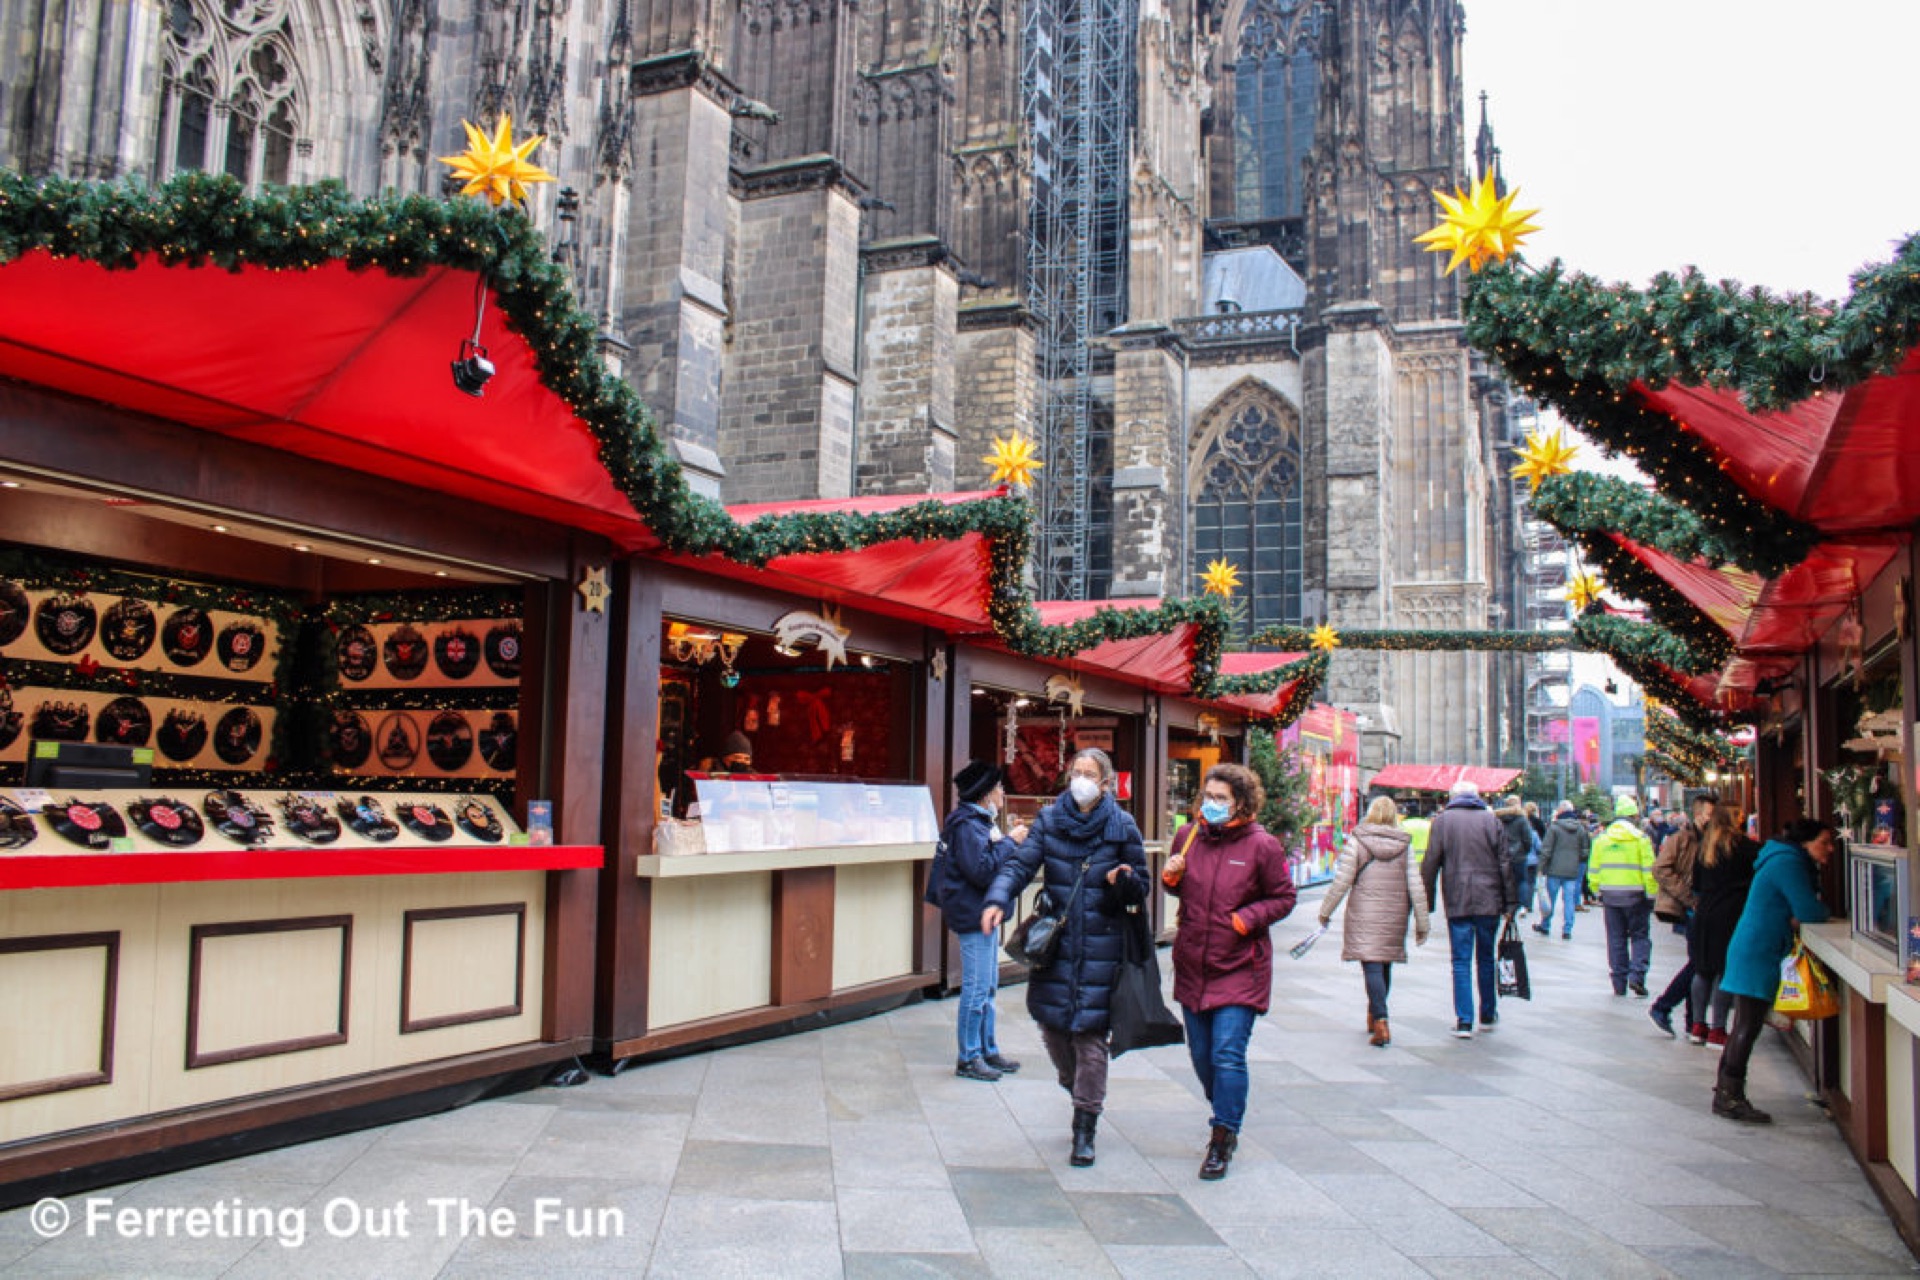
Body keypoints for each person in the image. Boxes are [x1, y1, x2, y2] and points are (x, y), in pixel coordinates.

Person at [981, 747, 1148, 1168]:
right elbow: (1019, 866)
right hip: (1056, 944)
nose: (1080, 781)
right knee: (1054, 1031)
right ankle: (1078, 1088)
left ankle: (1084, 1127)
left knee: (1090, 1037)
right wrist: (998, 898)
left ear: (1105, 784)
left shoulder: (1122, 826)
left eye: (1089, 774)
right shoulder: (1051, 820)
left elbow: (1141, 885)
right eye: (1076, 772)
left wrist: (1124, 880)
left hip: (1103, 945)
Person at [1161, 763, 1296, 1180]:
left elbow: (1283, 897)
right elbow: (1179, 887)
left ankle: (1223, 1135)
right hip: (1194, 963)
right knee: (1203, 1057)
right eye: (1208, 797)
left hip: (1240, 965)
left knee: (1227, 1054)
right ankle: (1224, 1107)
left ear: (1240, 803)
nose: (1212, 804)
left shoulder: (1262, 846)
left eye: (1221, 798)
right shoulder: (1189, 837)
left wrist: (1245, 919)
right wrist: (1171, 879)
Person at [1712, 818, 1835, 1122]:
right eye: (1824, 842)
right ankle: (1729, 1096)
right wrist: (1820, 911)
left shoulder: (1781, 857)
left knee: (1745, 1022)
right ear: (1805, 842)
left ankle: (1726, 1092)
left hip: (1755, 946)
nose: (1830, 849)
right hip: (1759, 950)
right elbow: (1808, 910)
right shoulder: (1788, 863)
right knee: (1748, 1024)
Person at [934, 761, 1028, 1081]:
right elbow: (982, 869)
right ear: (986, 794)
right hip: (973, 915)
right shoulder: (968, 826)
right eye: (999, 787)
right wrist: (1011, 842)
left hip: (982, 913)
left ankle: (987, 1049)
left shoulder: (977, 822)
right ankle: (969, 1056)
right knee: (976, 988)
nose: (1003, 793)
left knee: (987, 986)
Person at [1317, 795, 1430, 1048]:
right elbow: (1416, 886)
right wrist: (1422, 923)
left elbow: (1342, 881)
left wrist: (1326, 911)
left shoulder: (1358, 840)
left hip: (1364, 912)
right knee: (1384, 964)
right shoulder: (1404, 845)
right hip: (1395, 911)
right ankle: (1375, 1014)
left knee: (1371, 965)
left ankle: (1380, 1020)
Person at [1419, 778, 1514, 1039]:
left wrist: (1426, 901)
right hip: (1489, 899)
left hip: (1457, 897)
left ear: (1453, 797)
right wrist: (1510, 903)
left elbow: (1430, 863)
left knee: (1460, 960)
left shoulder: (1442, 822)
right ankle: (1488, 1012)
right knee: (1486, 957)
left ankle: (1464, 1020)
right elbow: (1505, 863)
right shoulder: (1491, 821)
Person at [1688, 803, 1759, 1046]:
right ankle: (1718, 1029)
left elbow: (1696, 884)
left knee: (1702, 969)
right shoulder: (1745, 847)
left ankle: (1698, 1025)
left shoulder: (1705, 847)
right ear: (1734, 819)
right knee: (1724, 970)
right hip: (1731, 913)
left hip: (1705, 911)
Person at [1648, 793, 1714, 1037]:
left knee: (1698, 963)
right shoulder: (1682, 838)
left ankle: (1692, 1021)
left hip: (1703, 907)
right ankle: (1664, 1006)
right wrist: (1688, 898)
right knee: (1699, 963)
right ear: (1698, 814)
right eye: (1709, 814)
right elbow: (1660, 869)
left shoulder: (1710, 839)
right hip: (1691, 908)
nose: (1713, 819)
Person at [1588, 797, 1657, 996]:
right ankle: (1637, 975)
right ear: (1634, 816)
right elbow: (1649, 870)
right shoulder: (1640, 839)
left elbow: (1593, 870)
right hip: (1636, 896)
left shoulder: (1601, 840)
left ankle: (1619, 982)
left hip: (1610, 897)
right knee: (1640, 936)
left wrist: (1597, 892)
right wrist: (1651, 894)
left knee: (1616, 939)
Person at [1533, 800, 1590, 939]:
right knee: (1569, 900)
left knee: (1550, 899)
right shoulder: (1580, 829)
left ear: (1561, 811)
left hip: (1554, 870)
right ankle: (1567, 929)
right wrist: (1576, 861)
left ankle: (1545, 925)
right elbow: (1585, 851)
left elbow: (1546, 850)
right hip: (1572, 870)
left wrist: (1541, 867)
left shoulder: (1554, 828)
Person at [1497, 797, 1536, 920]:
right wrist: (1524, 851)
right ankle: (1521, 905)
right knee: (1521, 881)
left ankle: (1505, 906)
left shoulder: (1498, 818)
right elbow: (1527, 839)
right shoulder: (1522, 819)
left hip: (1502, 854)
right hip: (1519, 855)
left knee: (1504, 881)